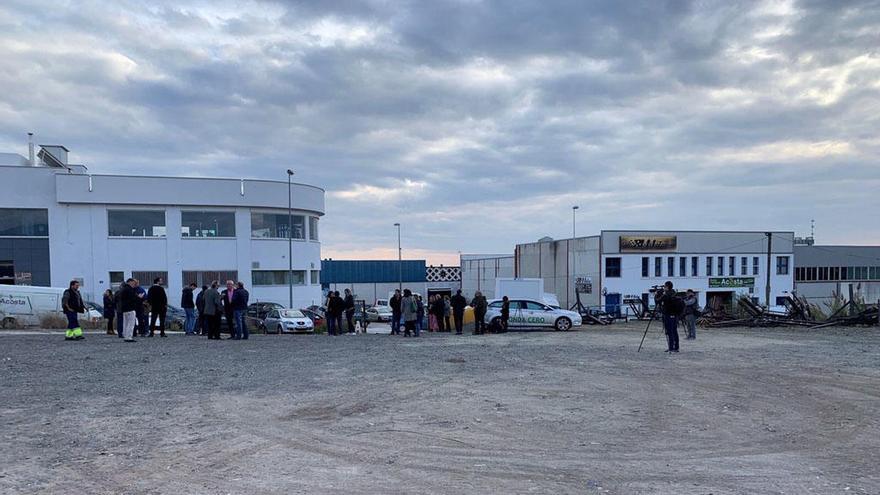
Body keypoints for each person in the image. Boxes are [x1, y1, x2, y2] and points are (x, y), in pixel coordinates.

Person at [655, 281, 682, 353]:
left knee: (669, 332)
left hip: (668, 315)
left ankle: (671, 348)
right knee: (674, 331)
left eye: (664, 286)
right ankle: (676, 347)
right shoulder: (674, 293)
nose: (664, 288)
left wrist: (656, 295)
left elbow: (658, 301)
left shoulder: (666, 295)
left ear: (667, 287)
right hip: (675, 315)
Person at [119, 278, 139, 342]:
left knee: (126, 323)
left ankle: (125, 335)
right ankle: (129, 337)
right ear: (130, 282)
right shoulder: (130, 289)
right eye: (133, 282)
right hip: (130, 308)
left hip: (124, 309)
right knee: (131, 323)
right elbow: (132, 299)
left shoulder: (123, 289)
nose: (134, 284)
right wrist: (138, 298)